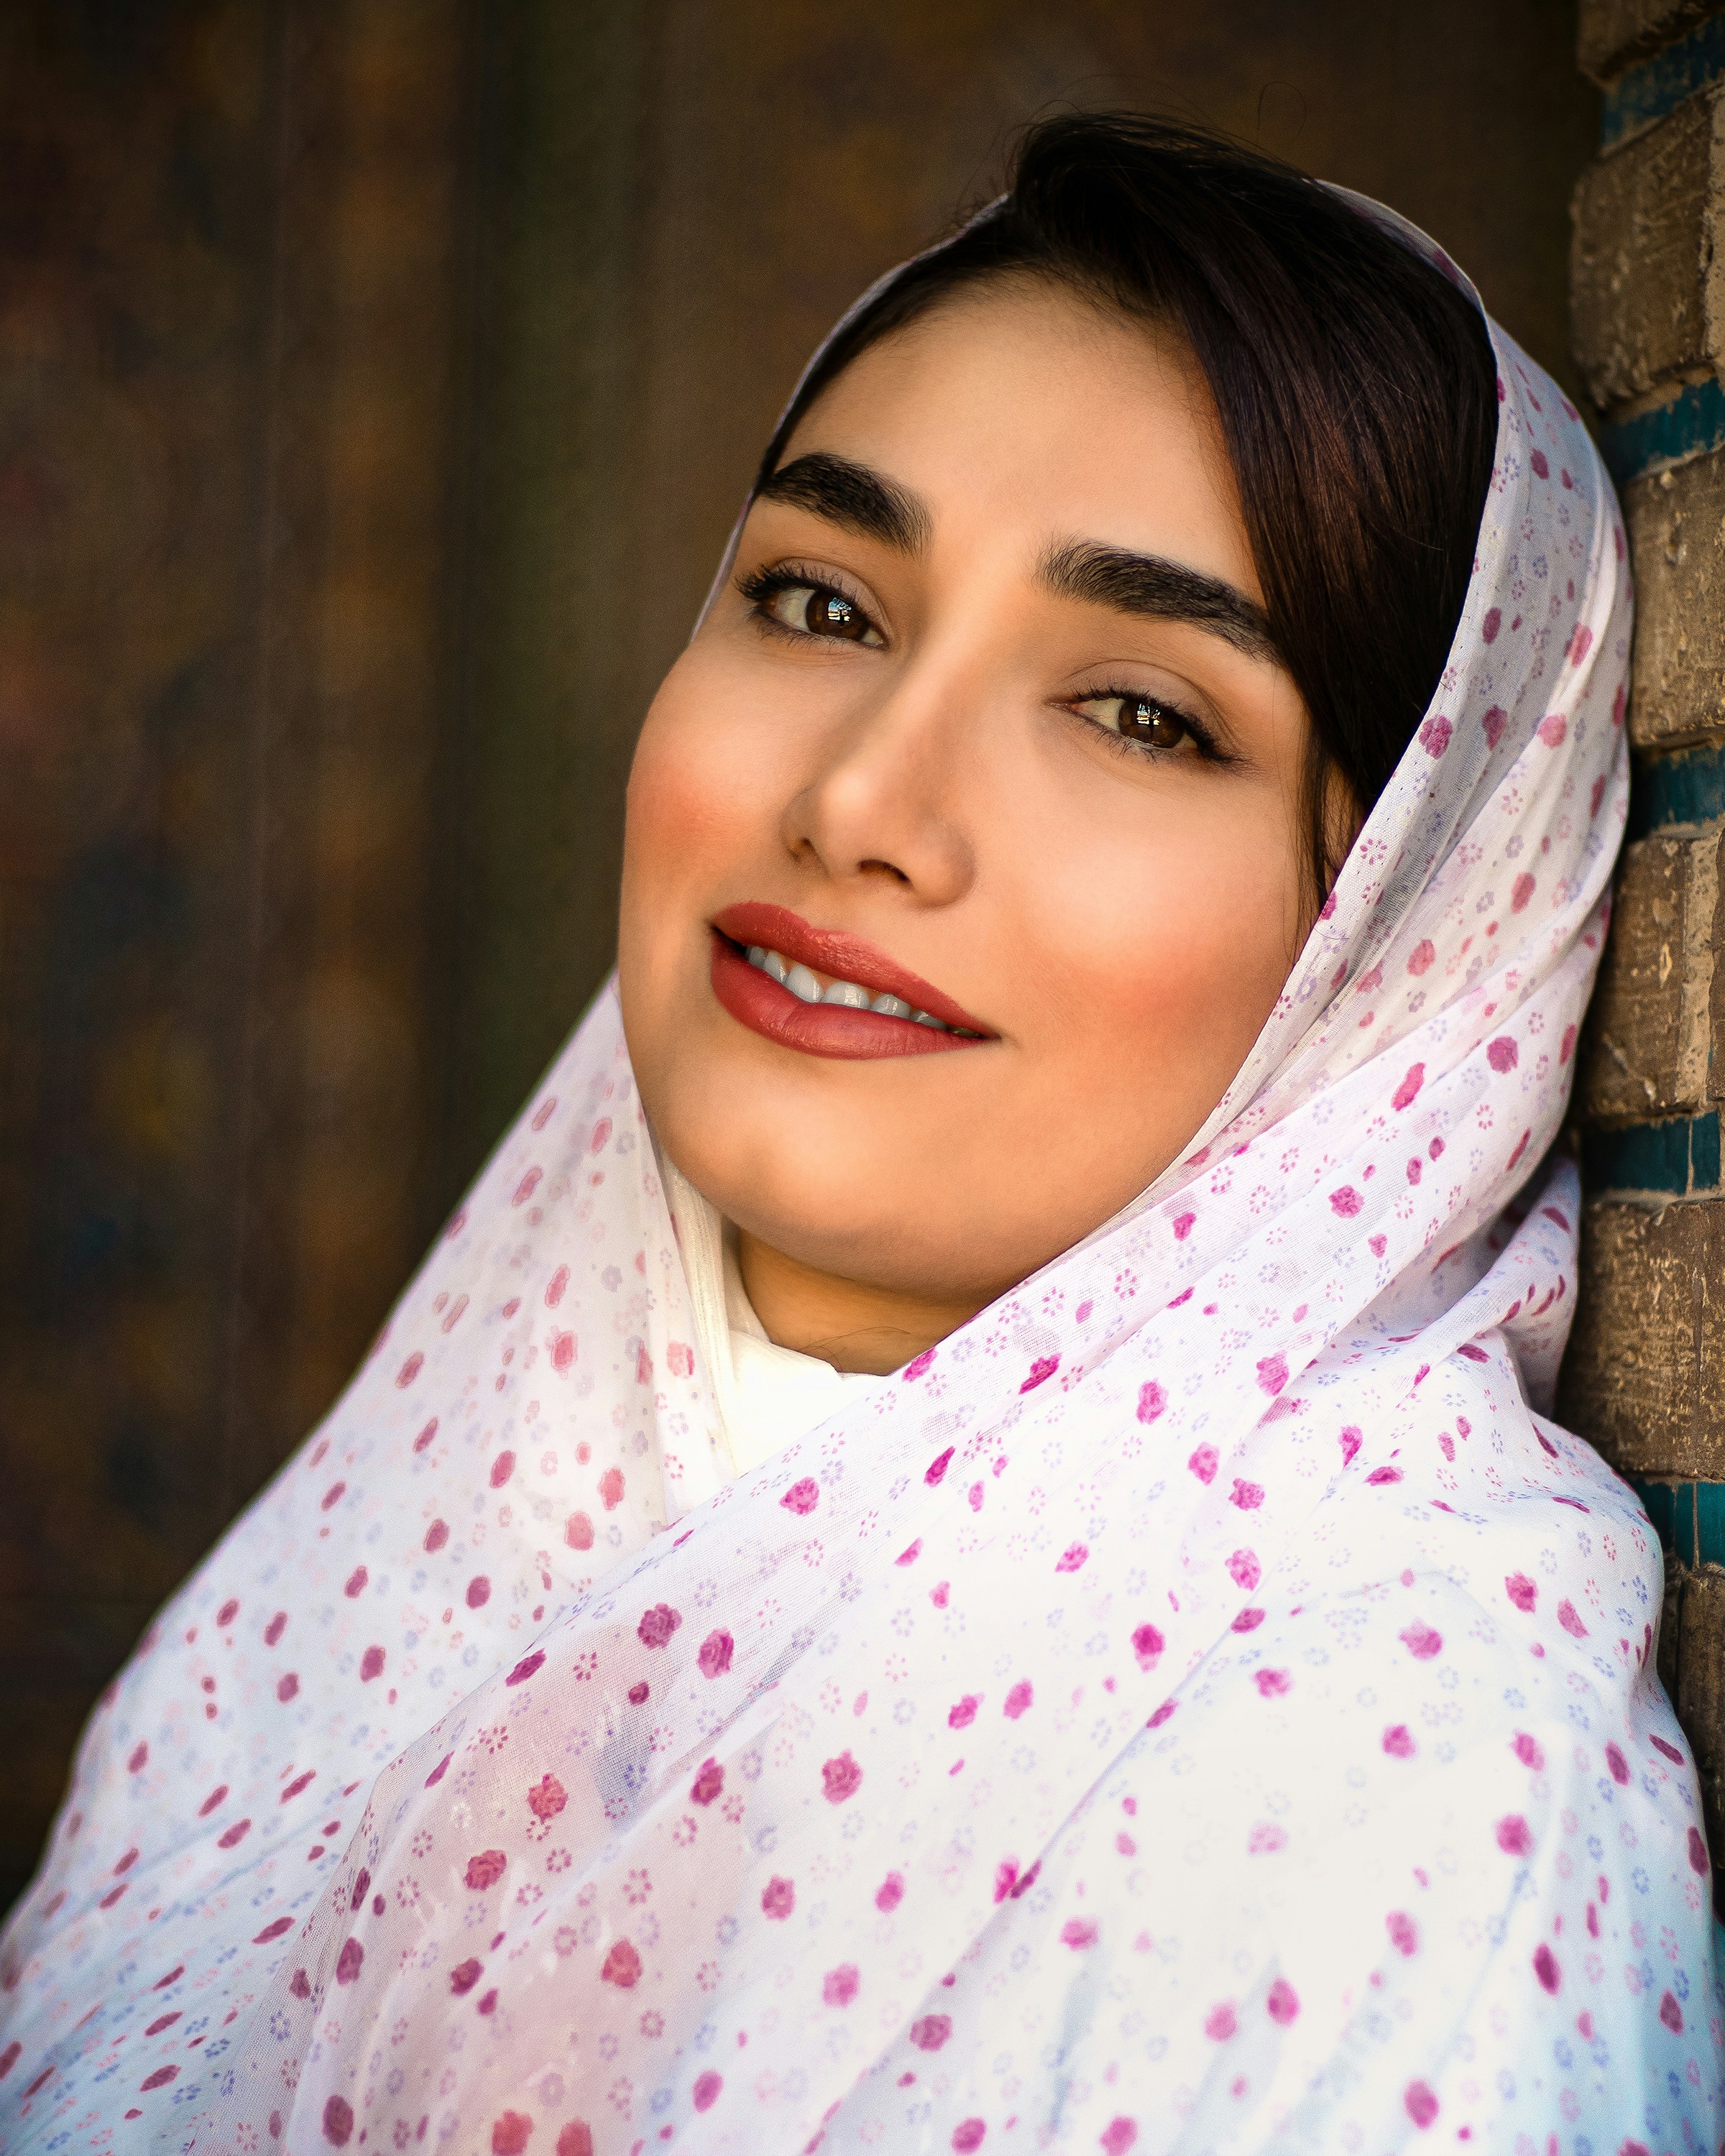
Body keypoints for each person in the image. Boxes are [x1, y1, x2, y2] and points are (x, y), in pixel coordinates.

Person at [1, 112, 1716, 2155]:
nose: (860, 803)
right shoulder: (402, 1536)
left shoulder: (1392, 1802)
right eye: (821, 604)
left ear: (1411, 936)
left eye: (1143, 714)